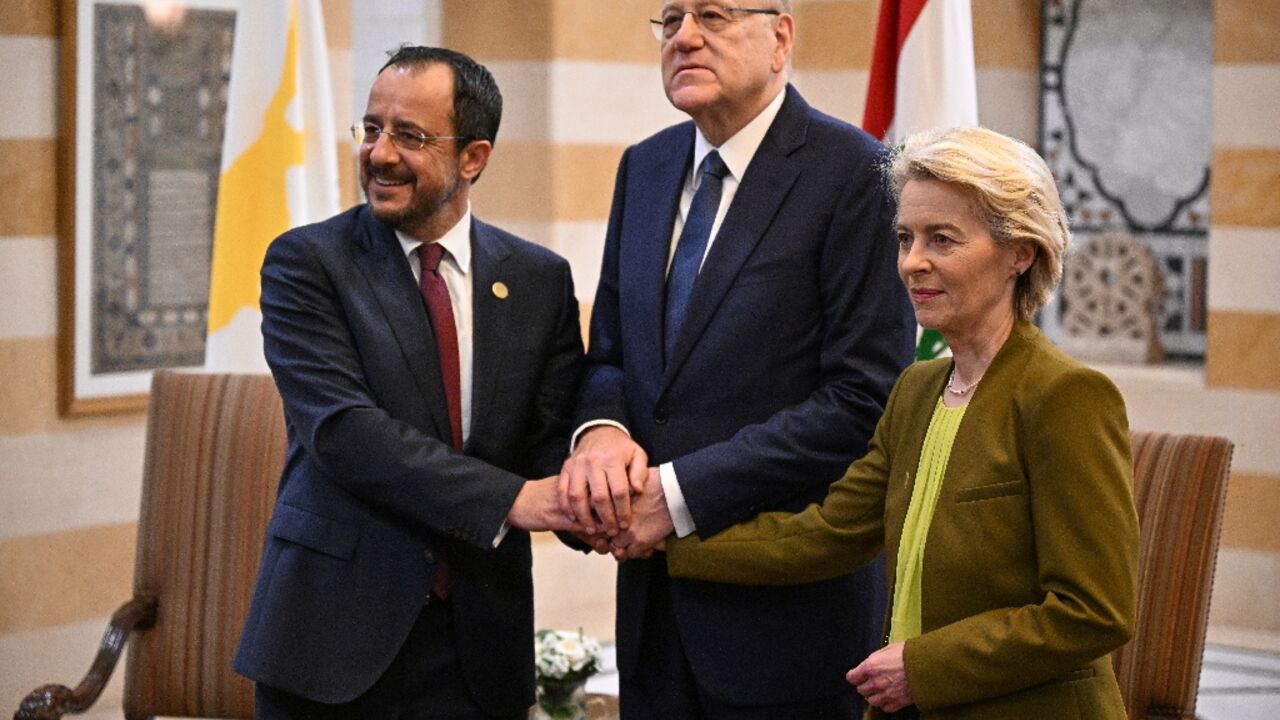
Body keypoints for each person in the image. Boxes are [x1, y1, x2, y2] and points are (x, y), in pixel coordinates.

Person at [664, 126, 1141, 719]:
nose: (913, 263)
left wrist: (922, 668)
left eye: (942, 240)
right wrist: (664, 541)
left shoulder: (1066, 396)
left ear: (1021, 252)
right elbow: (826, 534)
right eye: (905, 238)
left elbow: (1095, 610)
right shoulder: (916, 391)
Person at [559, 2, 915, 717]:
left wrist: (677, 492)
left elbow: (863, 398)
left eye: (715, 14)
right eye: (671, 17)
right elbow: (611, 357)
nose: (685, 35)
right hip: (655, 615)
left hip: (788, 620)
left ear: (781, 37)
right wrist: (602, 433)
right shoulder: (646, 167)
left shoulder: (858, 174)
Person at [234, 46, 584, 719]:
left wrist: (597, 486)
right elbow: (346, 434)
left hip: (480, 653)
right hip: (331, 647)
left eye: (410, 136)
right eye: (372, 128)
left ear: (474, 157)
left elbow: (550, 442)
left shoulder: (540, 280)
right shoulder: (307, 264)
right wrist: (516, 500)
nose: (380, 153)